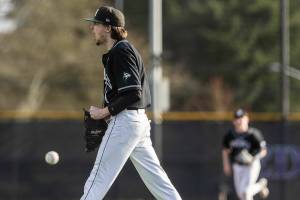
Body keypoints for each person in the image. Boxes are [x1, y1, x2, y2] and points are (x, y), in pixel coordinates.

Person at [80, 6, 182, 200]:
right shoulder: (119, 51)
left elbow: (134, 92)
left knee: (97, 178)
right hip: (135, 123)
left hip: (126, 121)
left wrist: (104, 112)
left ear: (108, 28)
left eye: (96, 24)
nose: (92, 28)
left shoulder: (122, 51)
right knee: (159, 182)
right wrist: (106, 113)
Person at [222, 108, 269, 200]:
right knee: (241, 195)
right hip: (238, 166)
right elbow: (225, 150)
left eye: (241, 118)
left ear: (247, 119)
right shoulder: (230, 135)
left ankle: (260, 185)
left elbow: (264, 151)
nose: (239, 121)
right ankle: (260, 185)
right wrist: (226, 164)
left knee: (246, 192)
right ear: (233, 121)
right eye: (236, 118)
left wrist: (253, 158)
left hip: (251, 165)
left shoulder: (253, 134)